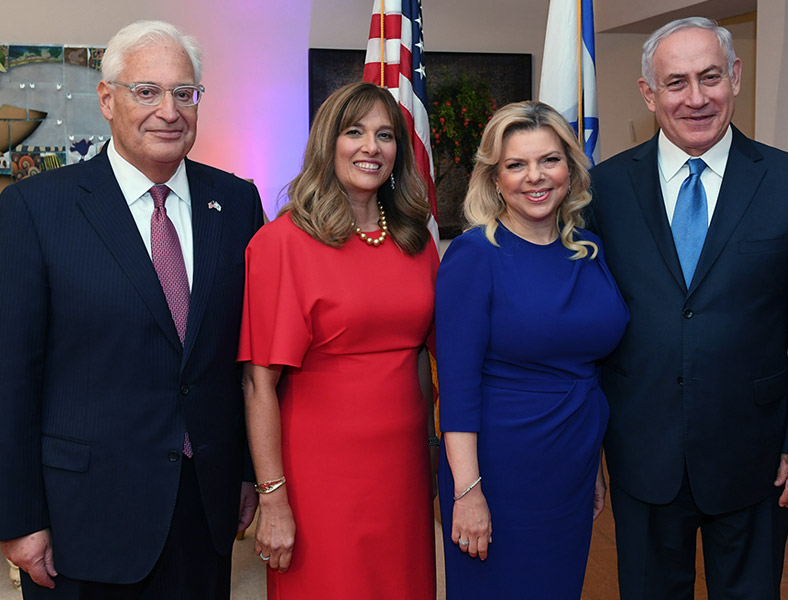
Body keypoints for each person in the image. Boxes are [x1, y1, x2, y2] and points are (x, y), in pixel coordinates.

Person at [0, 20, 263, 599]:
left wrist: (247, 472)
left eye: (184, 93)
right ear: (106, 99)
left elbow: (243, 358)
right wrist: (18, 519)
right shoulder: (34, 209)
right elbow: (11, 377)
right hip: (83, 519)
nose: (169, 110)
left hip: (205, 509)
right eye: (147, 91)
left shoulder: (238, 203)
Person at [589, 16, 788, 599]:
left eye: (710, 77)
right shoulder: (601, 190)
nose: (696, 97)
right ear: (648, 93)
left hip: (754, 453)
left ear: (735, 77)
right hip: (640, 449)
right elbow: (583, 325)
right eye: (676, 82)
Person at [237, 81, 438, 599]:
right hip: (319, 474)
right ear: (329, 143)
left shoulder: (416, 239)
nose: (371, 147)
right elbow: (259, 384)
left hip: (404, 470)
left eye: (385, 135)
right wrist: (273, 499)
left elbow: (433, 356)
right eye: (355, 132)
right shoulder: (282, 243)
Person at [436, 100, 629, 598]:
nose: (534, 177)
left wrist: (596, 469)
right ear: (494, 178)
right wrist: (468, 492)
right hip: (499, 469)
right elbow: (456, 387)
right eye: (515, 164)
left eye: (549, 160)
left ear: (570, 166)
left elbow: (591, 363)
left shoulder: (590, 250)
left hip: (573, 461)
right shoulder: (474, 255)